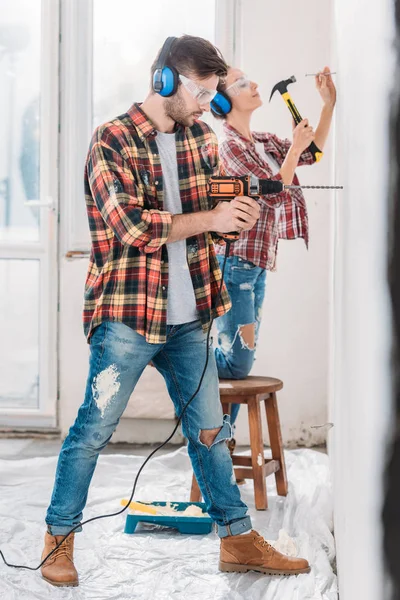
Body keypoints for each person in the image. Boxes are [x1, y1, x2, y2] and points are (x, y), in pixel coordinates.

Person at [40, 36, 310, 587]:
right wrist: (210, 220)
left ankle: (236, 540)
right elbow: (133, 227)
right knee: (93, 430)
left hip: (193, 319)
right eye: (201, 90)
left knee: (211, 431)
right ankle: (57, 541)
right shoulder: (110, 140)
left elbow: (206, 206)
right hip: (128, 320)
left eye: (214, 92)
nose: (207, 102)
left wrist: (233, 213)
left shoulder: (199, 139)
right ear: (164, 80)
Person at [212, 66, 336, 437]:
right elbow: (271, 188)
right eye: (243, 83)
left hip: (256, 265)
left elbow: (310, 155)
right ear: (221, 100)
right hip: (234, 264)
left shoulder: (262, 141)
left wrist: (327, 105)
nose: (255, 85)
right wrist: (295, 149)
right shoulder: (229, 147)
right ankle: (184, 358)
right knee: (237, 363)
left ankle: (223, 440)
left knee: (238, 363)